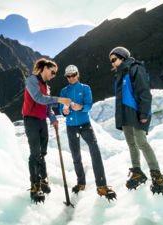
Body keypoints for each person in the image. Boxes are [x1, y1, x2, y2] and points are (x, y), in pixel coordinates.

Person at [109, 46, 163, 195]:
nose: (113, 63)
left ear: (122, 57)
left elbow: (144, 92)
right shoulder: (120, 74)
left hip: (137, 113)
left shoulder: (135, 68)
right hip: (126, 115)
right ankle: (137, 172)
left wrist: (144, 113)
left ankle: (157, 175)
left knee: (141, 142)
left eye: (114, 59)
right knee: (131, 143)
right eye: (111, 61)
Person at [59, 65, 116, 201]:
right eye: (68, 76)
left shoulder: (85, 88)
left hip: (85, 125)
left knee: (95, 152)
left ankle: (101, 185)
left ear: (78, 74)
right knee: (75, 155)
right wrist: (64, 111)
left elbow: (89, 105)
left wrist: (81, 107)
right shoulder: (64, 91)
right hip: (71, 126)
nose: (71, 78)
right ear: (66, 77)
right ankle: (81, 183)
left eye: (73, 75)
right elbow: (62, 108)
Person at [22, 58, 72, 203]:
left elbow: (48, 107)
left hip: (42, 121)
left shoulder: (47, 87)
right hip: (31, 120)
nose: (53, 75)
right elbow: (39, 98)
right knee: (35, 153)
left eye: (55, 73)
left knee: (42, 153)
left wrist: (53, 119)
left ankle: (43, 180)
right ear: (45, 68)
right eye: (53, 72)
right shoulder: (32, 80)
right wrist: (60, 100)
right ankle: (34, 186)